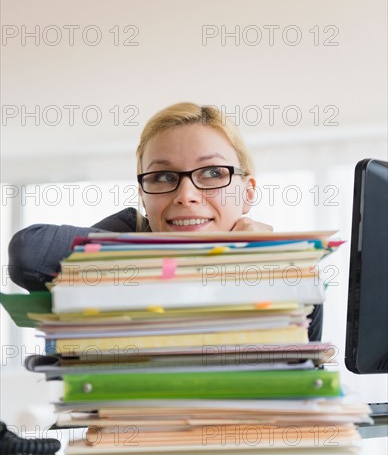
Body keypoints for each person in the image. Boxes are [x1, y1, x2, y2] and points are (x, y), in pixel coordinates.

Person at [8, 102, 322, 339]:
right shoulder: (124, 232)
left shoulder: (290, 275)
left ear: (247, 192)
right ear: (144, 196)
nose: (186, 195)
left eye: (212, 172)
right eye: (163, 176)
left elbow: (306, 378)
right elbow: (28, 254)